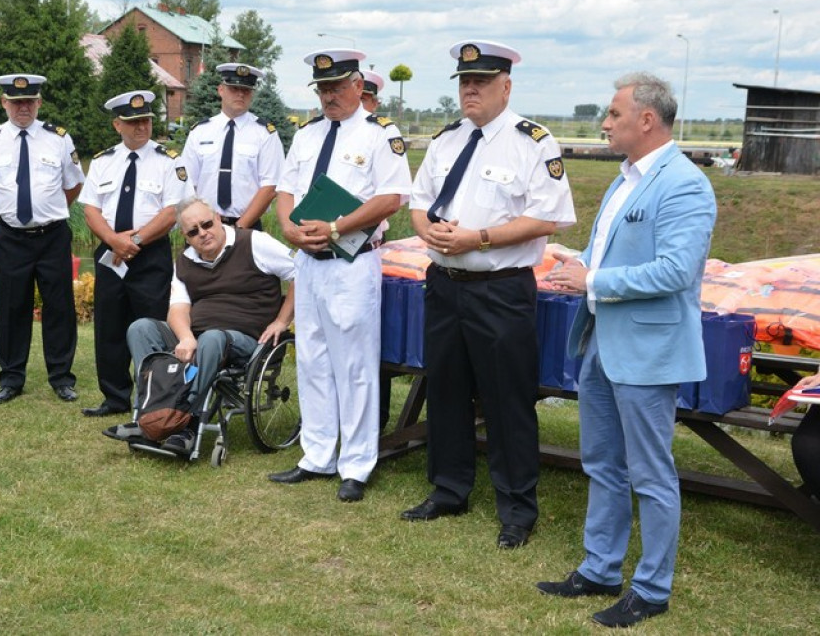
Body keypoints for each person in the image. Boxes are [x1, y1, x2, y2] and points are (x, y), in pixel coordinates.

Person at [538, 73, 717, 628]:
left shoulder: (684, 183)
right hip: (602, 342)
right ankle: (599, 568)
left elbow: (675, 271)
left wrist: (591, 281)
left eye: (614, 114)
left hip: (647, 349)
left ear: (647, 119)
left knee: (650, 473)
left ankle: (652, 589)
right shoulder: (623, 181)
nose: (605, 123)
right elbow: (602, 253)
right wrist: (574, 264)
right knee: (602, 464)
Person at [401, 40, 576, 550]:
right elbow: (419, 202)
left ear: (506, 85)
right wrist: (427, 231)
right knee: (447, 389)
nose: (470, 89)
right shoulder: (447, 138)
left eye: (480, 81)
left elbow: (546, 217)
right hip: (445, 285)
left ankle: (517, 508)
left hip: (499, 290)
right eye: (463, 81)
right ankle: (449, 489)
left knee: (507, 400)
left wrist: (476, 239)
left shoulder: (533, 142)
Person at [269, 48, 411, 503]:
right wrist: (289, 227)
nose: (328, 96)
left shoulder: (378, 135)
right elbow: (286, 189)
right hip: (309, 263)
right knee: (311, 358)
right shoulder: (307, 134)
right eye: (322, 88)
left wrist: (334, 228)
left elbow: (392, 197)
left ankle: (356, 464)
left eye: (336, 87)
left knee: (354, 366)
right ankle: (316, 455)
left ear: (357, 85)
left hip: (352, 262)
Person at [106, 197, 295, 455]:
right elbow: (178, 309)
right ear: (185, 236)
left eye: (207, 224)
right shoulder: (184, 260)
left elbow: (301, 271)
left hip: (249, 339)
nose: (203, 234)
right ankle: (149, 418)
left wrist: (282, 321)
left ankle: (188, 424)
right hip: (200, 337)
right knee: (140, 328)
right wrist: (185, 338)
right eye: (193, 232)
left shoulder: (253, 242)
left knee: (213, 338)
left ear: (217, 218)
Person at [0, 73, 84, 405]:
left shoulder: (58, 139)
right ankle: (11, 378)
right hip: (10, 238)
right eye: (16, 102)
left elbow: (73, 184)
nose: (23, 107)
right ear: (4, 103)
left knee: (59, 307)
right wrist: (7, 212)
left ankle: (61, 377)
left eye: (29, 101)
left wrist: (47, 209)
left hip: (52, 236)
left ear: (39, 103)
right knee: (10, 307)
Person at [78, 90, 186, 417]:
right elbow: (90, 210)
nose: (141, 127)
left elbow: (172, 213)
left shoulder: (170, 161)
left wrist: (133, 240)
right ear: (117, 125)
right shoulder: (102, 161)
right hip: (111, 255)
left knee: (151, 326)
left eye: (146, 121)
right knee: (109, 326)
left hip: (150, 256)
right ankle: (114, 398)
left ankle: (154, 395)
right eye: (133, 122)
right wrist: (114, 241)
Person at [180, 63, 284, 230]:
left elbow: (270, 186)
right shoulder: (200, 132)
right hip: (204, 227)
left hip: (247, 227)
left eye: (246, 90)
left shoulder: (265, 134)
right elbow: (187, 183)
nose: (240, 94)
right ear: (221, 90)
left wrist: (240, 226)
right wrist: (202, 222)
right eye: (234, 89)